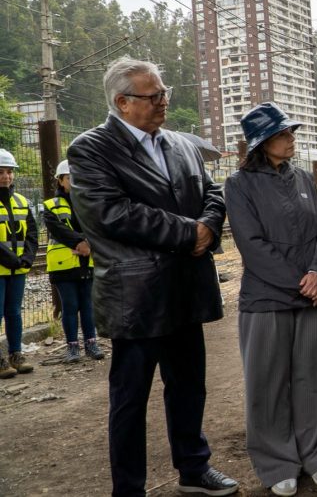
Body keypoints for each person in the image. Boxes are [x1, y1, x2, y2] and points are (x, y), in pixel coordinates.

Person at [67, 56, 238, 496]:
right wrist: (190, 232)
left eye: (165, 93)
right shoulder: (90, 149)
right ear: (122, 102)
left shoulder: (180, 143)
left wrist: (210, 224)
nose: (164, 102)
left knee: (189, 387)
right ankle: (129, 488)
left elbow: (212, 192)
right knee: (130, 399)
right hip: (137, 296)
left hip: (185, 288)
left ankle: (194, 468)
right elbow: (111, 214)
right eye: (154, 95)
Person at [225, 102, 317, 496]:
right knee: (268, 382)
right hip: (266, 300)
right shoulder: (239, 186)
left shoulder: (304, 178)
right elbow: (251, 244)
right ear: (262, 143)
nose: (291, 139)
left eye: (291, 132)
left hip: (313, 296)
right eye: (283, 134)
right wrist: (297, 280)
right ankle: (277, 464)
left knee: (316, 377)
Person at [43, 159, 104, 364]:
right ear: (60, 181)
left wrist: (89, 244)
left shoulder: (89, 203)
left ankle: (91, 343)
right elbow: (57, 229)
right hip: (63, 264)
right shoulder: (51, 205)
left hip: (87, 262)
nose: (74, 181)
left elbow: (98, 227)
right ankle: (72, 347)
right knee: (70, 305)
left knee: (87, 304)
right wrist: (81, 243)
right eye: (69, 178)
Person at [0, 148, 37, 379]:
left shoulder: (22, 201)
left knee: (14, 313)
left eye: (9, 172)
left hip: (17, 269)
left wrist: (28, 258)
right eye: (1, 172)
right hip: (2, 268)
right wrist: (13, 259)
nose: (6, 176)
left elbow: (32, 234)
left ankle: (16, 354)